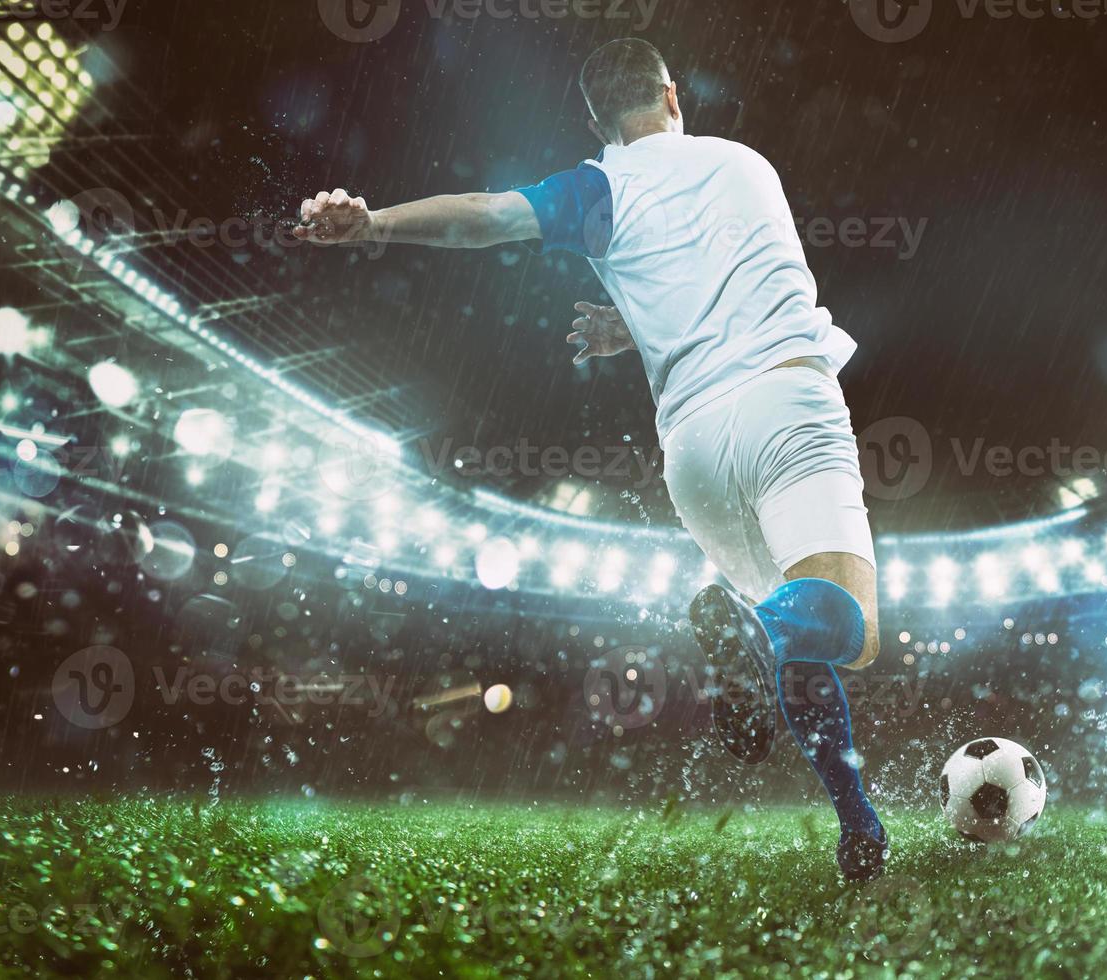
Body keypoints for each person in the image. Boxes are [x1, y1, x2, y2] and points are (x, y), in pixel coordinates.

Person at [295, 38, 888, 879]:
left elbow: (488, 213)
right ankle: (774, 649)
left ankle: (859, 825)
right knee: (845, 623)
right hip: (784, 403)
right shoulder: (746, 163)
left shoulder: (595, 187)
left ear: (595, 121)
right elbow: (732, 270)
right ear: (671, 95)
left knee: (786, 635)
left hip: (690, 451)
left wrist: (374, 223)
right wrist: (636, 323)